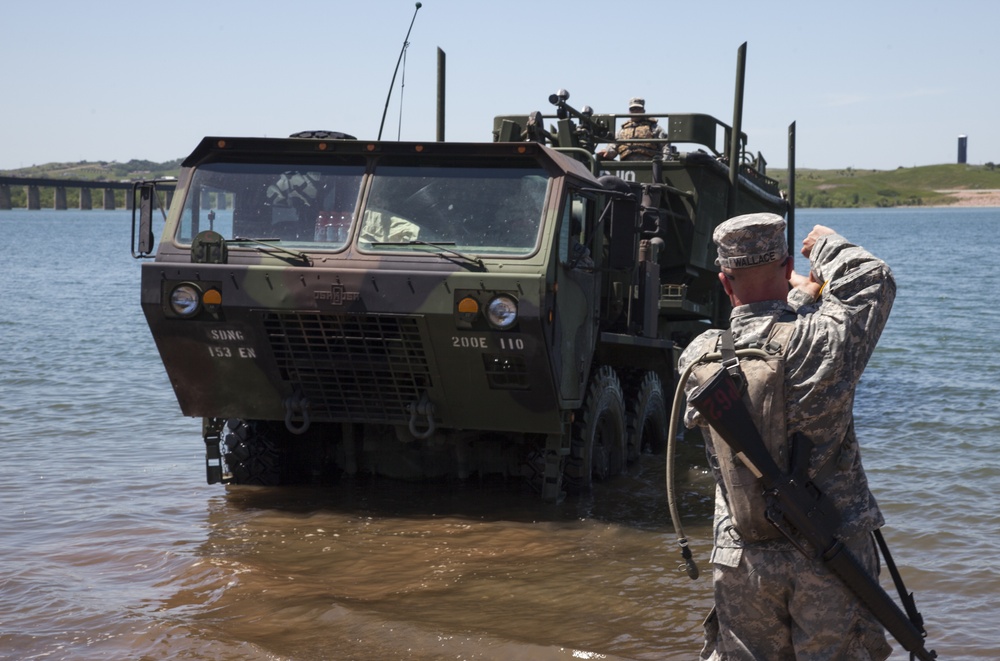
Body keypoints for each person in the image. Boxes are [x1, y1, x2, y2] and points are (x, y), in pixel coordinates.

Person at [677, 213, 896, 660]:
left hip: (743, 555)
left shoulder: (698, 356)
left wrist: (796, 292)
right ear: (784, 264)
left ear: (724, 282)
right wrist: (826, 246)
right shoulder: (823, 339)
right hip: (830, 555)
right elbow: (873, 278)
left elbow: (764, 332)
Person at [599, 97, 670, 161]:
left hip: (650, 167)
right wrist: (607, 152)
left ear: (643, 111)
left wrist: (663, 164)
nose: (635, 111)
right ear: (629, 111)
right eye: (632, 109)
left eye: (638, 109)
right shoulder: (622, 130)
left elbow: (665, 147)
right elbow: (613, 147)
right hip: (626, 168)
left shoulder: (654, 128)